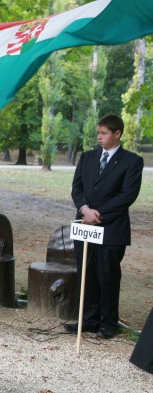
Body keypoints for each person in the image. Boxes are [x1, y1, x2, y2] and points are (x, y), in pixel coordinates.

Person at [65, 114, 143, 339]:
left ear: (117, 134)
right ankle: (89, 319)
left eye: (104, 133)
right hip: (84, 223)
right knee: (87, 272)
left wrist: (98, 215)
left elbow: (128, 195)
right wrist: (85, 210)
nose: (99, 137)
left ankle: (109, 322)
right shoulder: (87, 157)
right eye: (98, 133)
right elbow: (77, 187)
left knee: (107, 275)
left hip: (111, 228)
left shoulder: (132, 161)